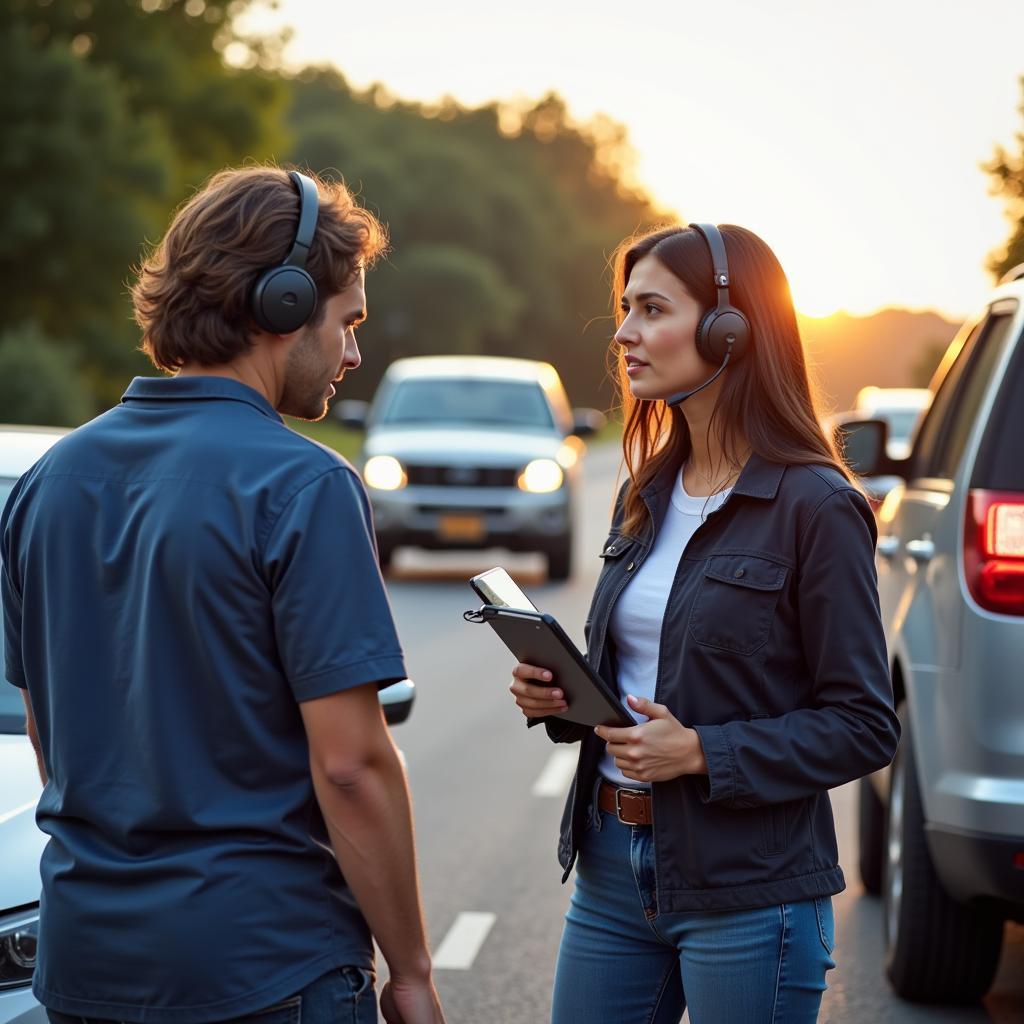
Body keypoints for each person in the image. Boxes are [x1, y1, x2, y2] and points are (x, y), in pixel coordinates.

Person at [1, 166, 445, 1024]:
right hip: (264, 967)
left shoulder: (49, 481)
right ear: (282, 306)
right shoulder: (304, 485)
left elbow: (49, 730)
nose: (353, 353)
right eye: (346, 321)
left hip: (84, 964)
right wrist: (414, 971)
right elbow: (351, 765)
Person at [509, 223, 900, 1023]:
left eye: (652, 309)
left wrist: (700, 751)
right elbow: (636, 678)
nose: (623, 333)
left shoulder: (818, 507)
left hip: (750, 891)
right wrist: (563, 699)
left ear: (730, 330)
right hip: (611, 872)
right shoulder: (646, 492)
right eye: (625, 309)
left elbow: (865, 726)